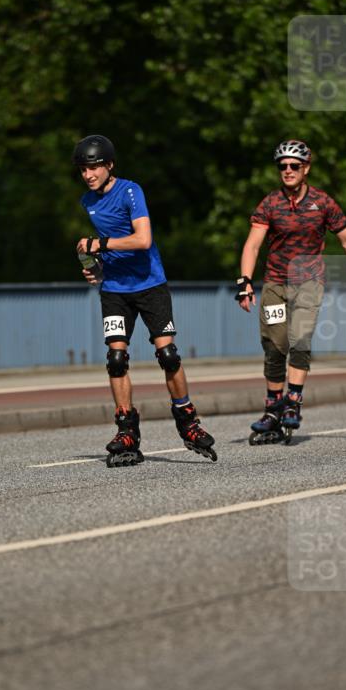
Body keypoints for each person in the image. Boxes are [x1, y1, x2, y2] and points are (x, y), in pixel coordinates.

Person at [73, 134, 216, 467]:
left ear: (109, 165)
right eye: (83, 169)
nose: (89, 175)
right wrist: (95, 267)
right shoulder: (87, 201)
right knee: (116, 359)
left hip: (150, 285)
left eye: (94, 167)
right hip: (115, 289)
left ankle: (187, 419)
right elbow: (104, 247)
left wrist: (100, 245)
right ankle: (126, 429)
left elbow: (142, 239)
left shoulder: (130, 191)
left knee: (168, 355)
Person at [236, 139, 346, 443]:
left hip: (309, 283)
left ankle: (293, 402)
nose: (287, 170)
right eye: (282, 166)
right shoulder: (270, 203)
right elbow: (253, 245)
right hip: (275, 284)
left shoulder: (322, 203)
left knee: (300, 339)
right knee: (274, 346)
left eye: (294, 166)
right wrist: (244, 282)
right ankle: (273, 408)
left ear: (306, 168)